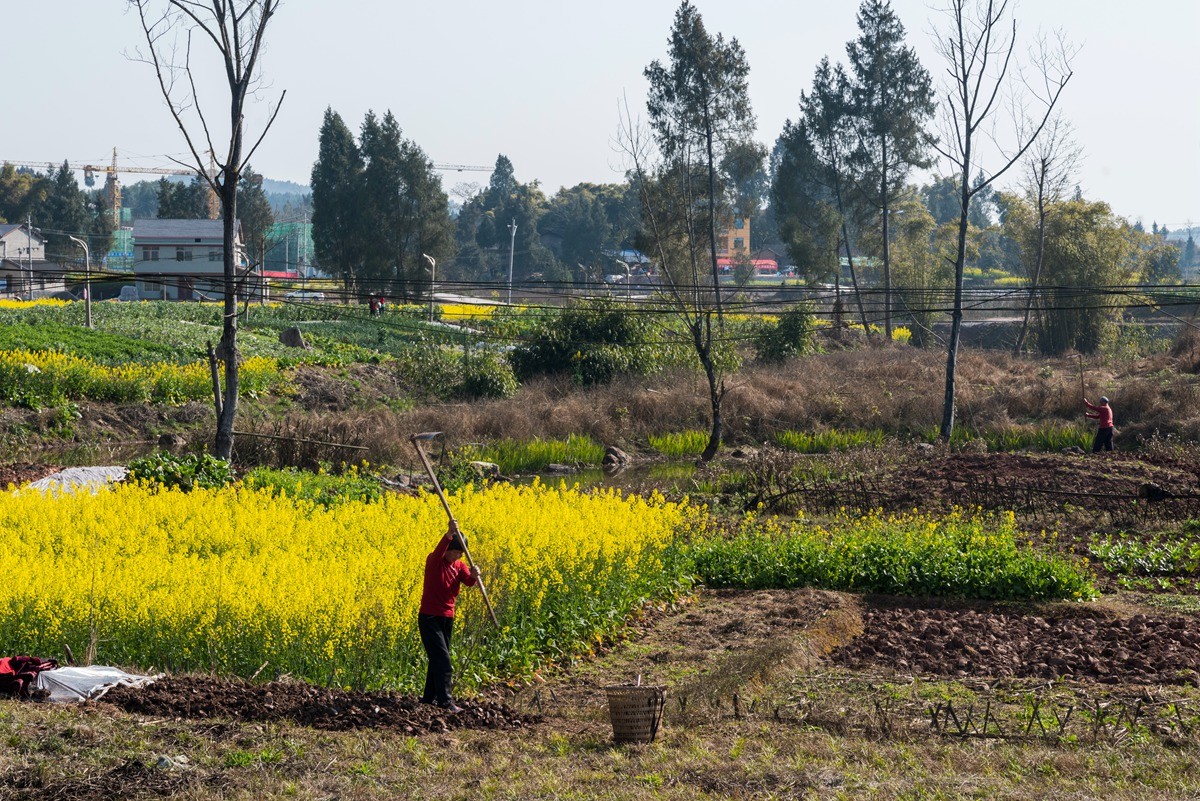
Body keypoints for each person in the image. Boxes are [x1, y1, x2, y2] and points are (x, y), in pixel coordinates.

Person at [418, 521, 479, 713]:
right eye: (457, 551)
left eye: (462, 553)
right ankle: (445, 701)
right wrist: (449, 533)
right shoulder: (435, 561)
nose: (460, 555)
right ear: (448, 550)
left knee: (436, 659)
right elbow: (440, 549)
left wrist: (475, 575)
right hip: (429, 617)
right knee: (443, 661)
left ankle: (429, 698)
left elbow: (469, 582)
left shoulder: (459, 566)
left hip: (447, 618)